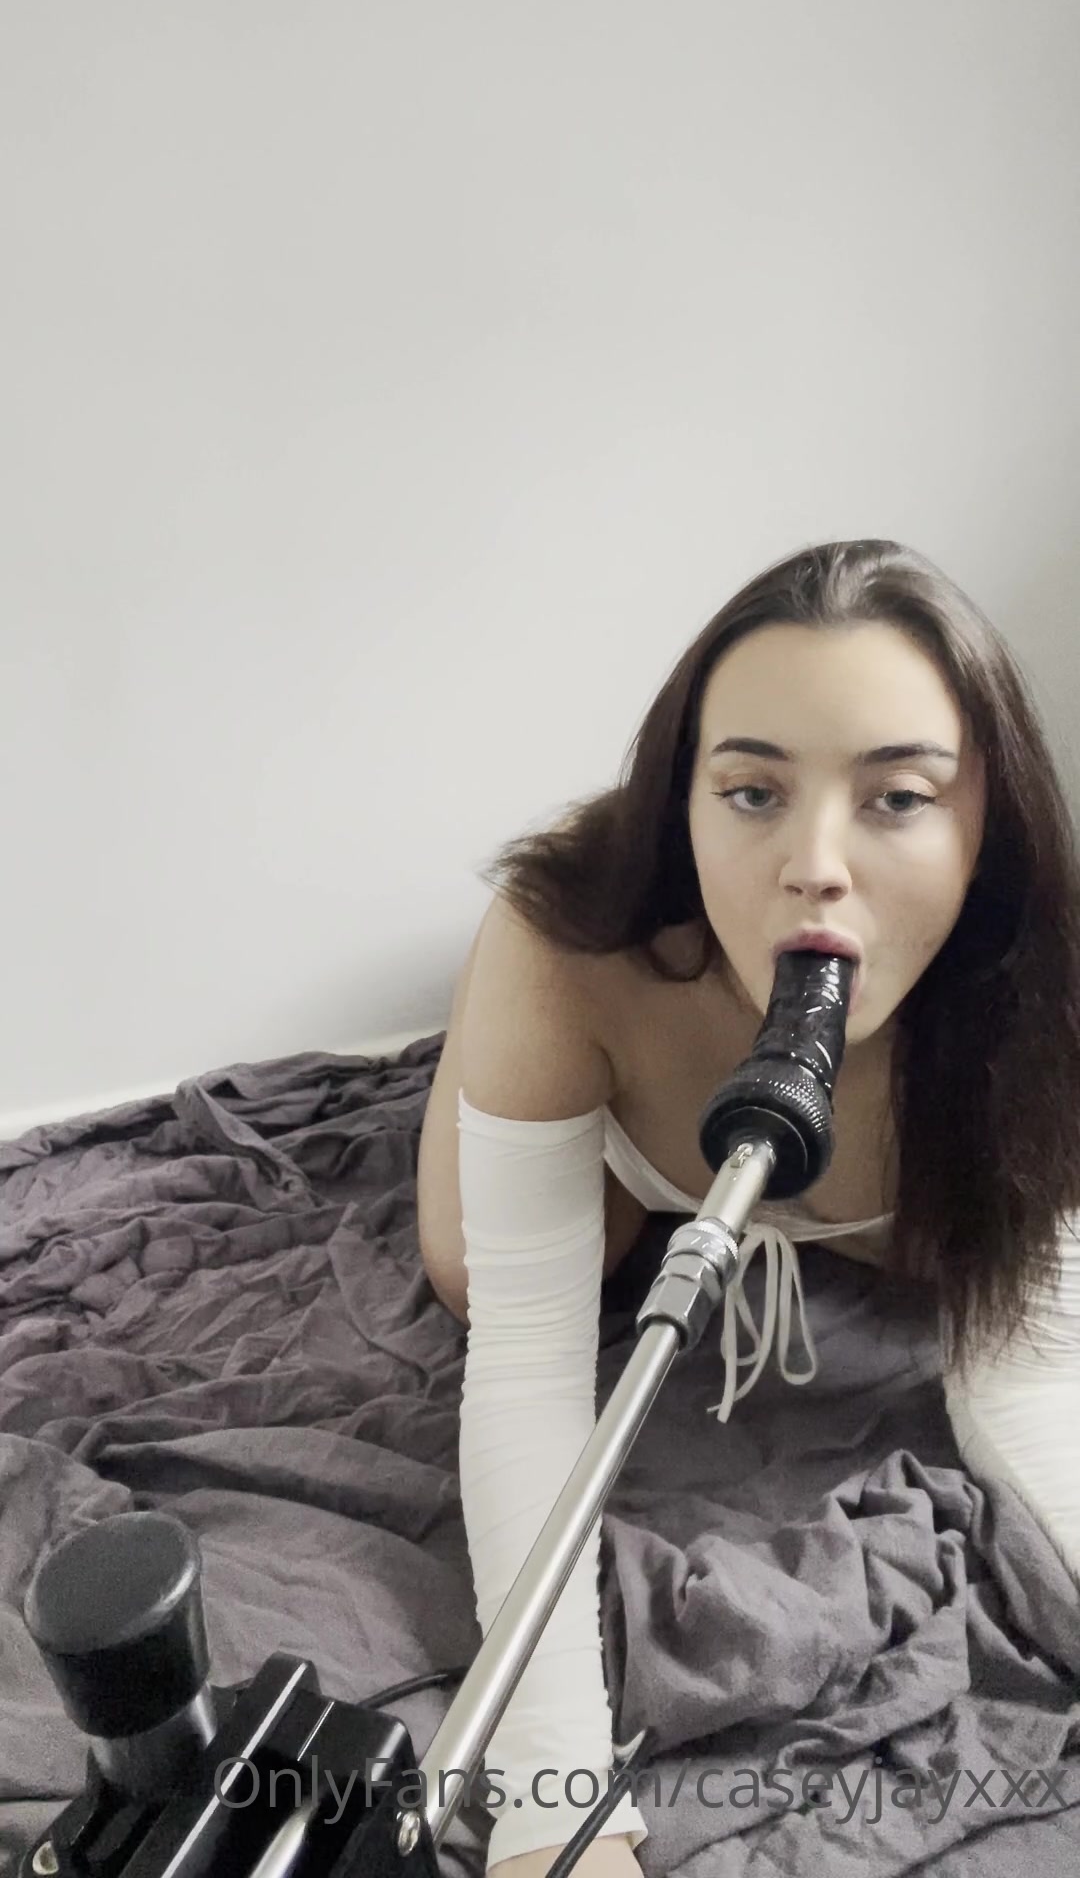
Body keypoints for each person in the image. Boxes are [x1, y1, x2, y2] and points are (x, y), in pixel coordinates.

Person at [416, 539, 1080, 1878]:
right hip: (634, 1146)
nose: (815, 866)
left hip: (892, 1185)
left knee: (957, 1251)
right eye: (753, 792)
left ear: (985, 824)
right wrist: (551, 1794)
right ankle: (480, 1052)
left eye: (898, 797)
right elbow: (530, 1363)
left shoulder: (1035, 990)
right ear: (684, 806)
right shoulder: (575, 948)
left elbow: (1027, 1360)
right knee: (475, 1274)